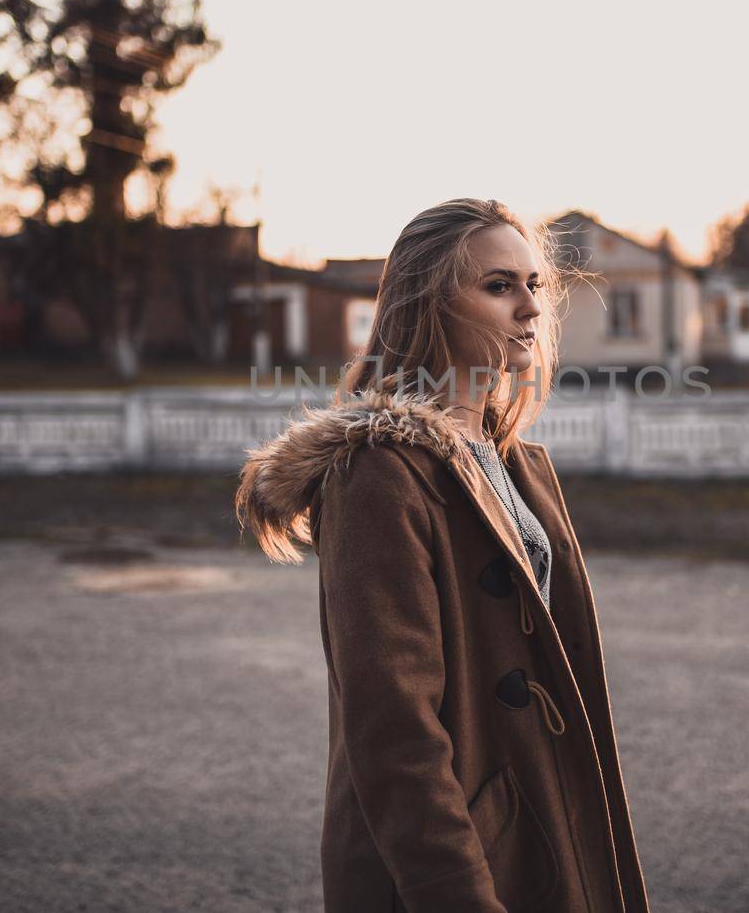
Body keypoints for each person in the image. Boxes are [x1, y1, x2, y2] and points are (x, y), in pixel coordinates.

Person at [235, 198, 649, 912]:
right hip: (457, 858)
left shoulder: (512, 460)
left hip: (542, 815)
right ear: (428, 304)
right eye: (498, 286)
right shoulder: (379, 473)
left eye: (534, 284)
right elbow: (395, 733)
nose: (529, 308)